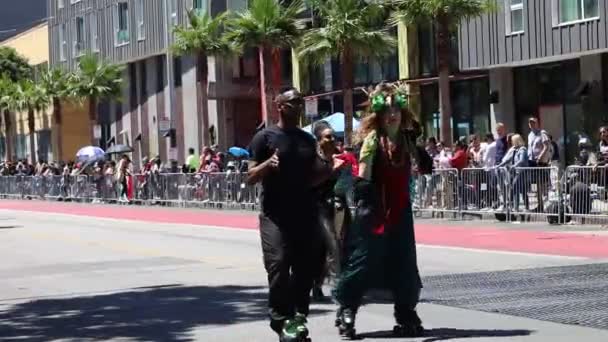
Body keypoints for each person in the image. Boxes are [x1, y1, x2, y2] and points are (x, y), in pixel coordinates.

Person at [247, 88, 340, 342]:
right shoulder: (264, 138)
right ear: (280, 106)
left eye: (300, 103)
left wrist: (330, 168)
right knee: (278, 263)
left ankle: (298, 316)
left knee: (304, 268)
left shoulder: (307, 140)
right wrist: (268, 165)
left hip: (304, 212)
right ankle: (280, 318)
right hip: (274, 215)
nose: (298, 107)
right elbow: (250, 177)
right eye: (293, 103)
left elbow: (312, 180)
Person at [334, 83, 425, 339]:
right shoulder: (373, 140)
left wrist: (418, 146)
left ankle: (405, 310)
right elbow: (363, 177)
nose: (392, 114)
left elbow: (424, 165)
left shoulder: (407, 140)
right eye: (387, 110)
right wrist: (368, 204)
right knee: (363, 261)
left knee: (404, 262)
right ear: (379, 115)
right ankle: (347, 308)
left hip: (400, 210)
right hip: (374, 210)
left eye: (396, 109)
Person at [311, 121, 348, 302]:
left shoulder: (340, 156)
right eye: (328, 136)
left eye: (333, 136)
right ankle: (325, 285)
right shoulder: (313, 159)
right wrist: (332, 170)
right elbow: (310, 183)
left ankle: (337, 285)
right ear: (319, 140)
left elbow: (348, 182)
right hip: (318, 208)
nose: (332, 139)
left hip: (339, 205)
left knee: (340, 245)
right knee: (329, 245)